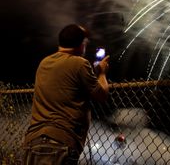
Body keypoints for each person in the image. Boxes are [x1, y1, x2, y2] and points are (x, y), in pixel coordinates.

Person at [22, 24, 110, 164]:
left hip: (33, 140)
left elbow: (69, 81)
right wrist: (102, 73)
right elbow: (102, 95)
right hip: (59, 142)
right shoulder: (80, 64)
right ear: (81, 45)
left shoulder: (44, 63)